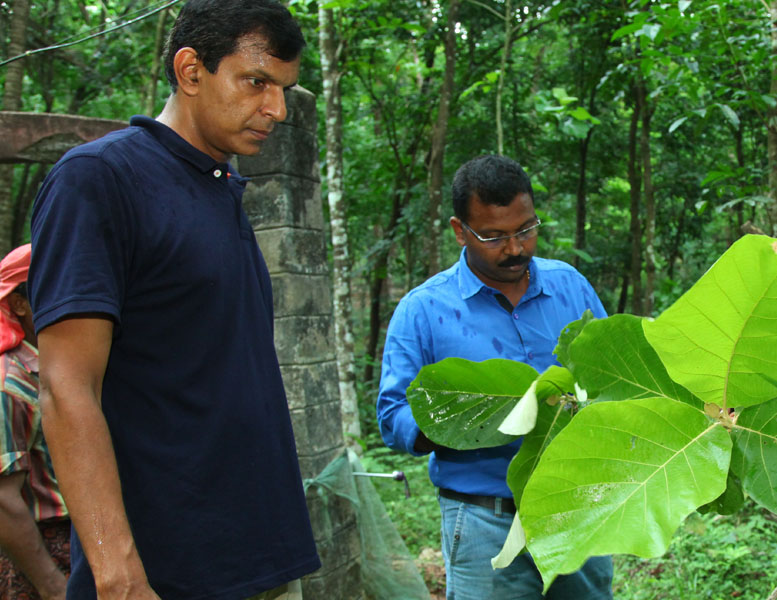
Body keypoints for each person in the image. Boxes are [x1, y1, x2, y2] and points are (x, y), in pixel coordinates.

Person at [28, 1, 320, 599]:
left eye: (283, 89)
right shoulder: (100, 180)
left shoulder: (220, 187)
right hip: (164, 573)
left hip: (259, 560)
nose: (277, 109)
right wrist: (117, 576)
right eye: (257, 81)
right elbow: (65, 387)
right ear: (190, 70)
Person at [376, 155, 613, 599]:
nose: (515, 248)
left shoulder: (572, 287)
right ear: (459, 230)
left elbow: (612, 373)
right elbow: (393, 418)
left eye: (526, 229)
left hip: (578, 506)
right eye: (493, 236)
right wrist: (466, 423)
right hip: (484, 518)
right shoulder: (422, 310)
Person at [0, 244, 70, 600]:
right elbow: (2, 500)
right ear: (18, 303)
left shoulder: (58, 362)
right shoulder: (8, 382)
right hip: (46, 553)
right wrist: (53, 585)